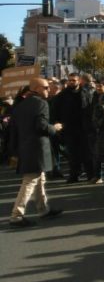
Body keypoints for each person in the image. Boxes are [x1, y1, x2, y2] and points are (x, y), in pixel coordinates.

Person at [8, 77, 64, 227]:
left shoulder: (20, 105)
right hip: (36, 148)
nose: (48, 89)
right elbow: (41, 126)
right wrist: (55, 128)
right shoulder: (41, 103)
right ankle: (16, 215)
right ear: (37, 89)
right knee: (30, 181)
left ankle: (43, 209)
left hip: (25, 147)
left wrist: (14, 150)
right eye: (45, 87)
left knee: (39, 179)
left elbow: (13, 129)